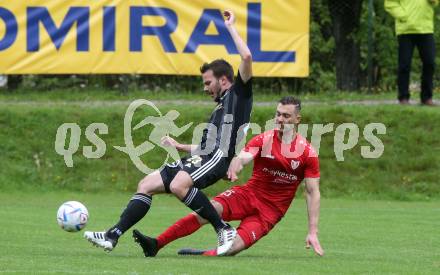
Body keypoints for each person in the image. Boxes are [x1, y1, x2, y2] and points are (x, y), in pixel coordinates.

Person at [84, 10, 253, 256]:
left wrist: (231, 27)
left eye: (208, 83)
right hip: (208, 156)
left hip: (217, 158)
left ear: (224, 80)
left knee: (178, 185)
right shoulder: (219, 109)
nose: (205, 88)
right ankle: (113, 235)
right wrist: (181, 146)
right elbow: (204, 149)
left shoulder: (240, 93)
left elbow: (246, 56)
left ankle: (223, 228)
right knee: (147, 184)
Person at [132, 97, 324, 257]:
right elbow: (243, 157)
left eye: (286, 116)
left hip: (270, 212)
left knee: (230, 249)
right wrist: (235, 167)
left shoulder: (307, 152)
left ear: (298, 119)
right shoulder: (264, 139)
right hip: (247, 195)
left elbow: (312, 192)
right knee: (209, 210)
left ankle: (200, 254)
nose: (280, 119)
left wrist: (312, 232)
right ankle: (156, 243)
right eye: (278, 114)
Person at [385, 0, 437, 106]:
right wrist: (404, 16)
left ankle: (426, 98)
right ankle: (403, 98)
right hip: (405, 29)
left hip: (425, 28)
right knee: (404, 64)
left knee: (430, 63)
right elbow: (390, 3)